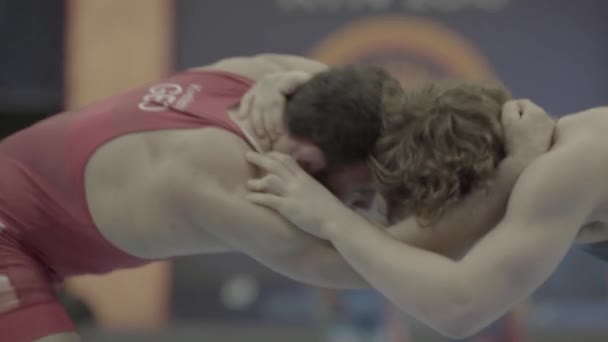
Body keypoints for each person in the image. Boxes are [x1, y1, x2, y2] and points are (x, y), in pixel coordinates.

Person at [0, 54, 416, 342]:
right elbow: (365, 267)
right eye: (361, 193)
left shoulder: (264, 74)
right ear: (307, 163)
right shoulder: (223, 180)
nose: (361, 207)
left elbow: (362, 93)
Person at [243, 80, 608, 338]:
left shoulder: (562, 173)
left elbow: (460, 309)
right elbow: (367, 100)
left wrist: (332, 218)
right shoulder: (559, 160)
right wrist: (286, 78)